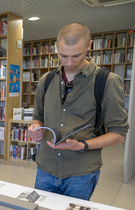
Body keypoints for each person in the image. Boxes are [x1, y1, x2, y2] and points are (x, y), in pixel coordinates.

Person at [28, 23, 128, 200]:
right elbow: (38, 116)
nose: (69, 62)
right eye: (63, 56)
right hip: (45, 167)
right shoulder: (46, 80)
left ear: (89, 46)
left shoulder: (107, 81)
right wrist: (35, 128)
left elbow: (119, 134)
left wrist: (83, 145)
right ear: (56, 48)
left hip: (80, 172)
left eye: (76, 56)